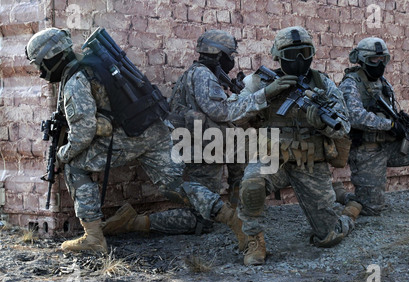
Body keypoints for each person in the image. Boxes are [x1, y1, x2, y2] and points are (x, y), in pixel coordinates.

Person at [24, 28, 249, 254]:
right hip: (155, 128)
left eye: (40, 64)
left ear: (52, 57)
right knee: (176, 185)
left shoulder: (76, 79)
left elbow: (83, 131)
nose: (40, 72)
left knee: (74, 165)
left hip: (129, 136)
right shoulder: (93, 65)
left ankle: (93, 237)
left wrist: (63, 154)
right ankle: (232, 219)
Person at [102, 29, 297, 250]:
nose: (231, 60)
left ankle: (239, 209)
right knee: (202, 220)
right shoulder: (203, 75)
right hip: (202, 151)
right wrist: (263, 94)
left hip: (206, 146)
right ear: (218, 55)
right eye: (229, 55)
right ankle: (133, 222)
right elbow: (221, 111)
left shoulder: (199, 74)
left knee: (245, 148)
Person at [236, 26, 356, 266]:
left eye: (305, 52)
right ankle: (254, 241)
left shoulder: (323, 84)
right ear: (278, 56)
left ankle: (350, 212)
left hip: (309, 161)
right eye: (292, 54)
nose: (300, 60)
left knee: (328, 237)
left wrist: (322, 125)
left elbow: (344, 126)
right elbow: (231, 114)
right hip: (271, 158)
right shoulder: (258, 81)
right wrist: (265, 94)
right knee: (251, 185)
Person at [336, 37, 409, 218]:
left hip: (390, 146)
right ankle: (341, 195)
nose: (380, 64)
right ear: (363, 59)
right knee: (372, 209)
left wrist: (399, 127)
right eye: (375, 59)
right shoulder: (350, 83)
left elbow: (391, 112)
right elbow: (354, 116)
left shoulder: (383, 83)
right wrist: (389, 125)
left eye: (383, 60)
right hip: (367, 152)